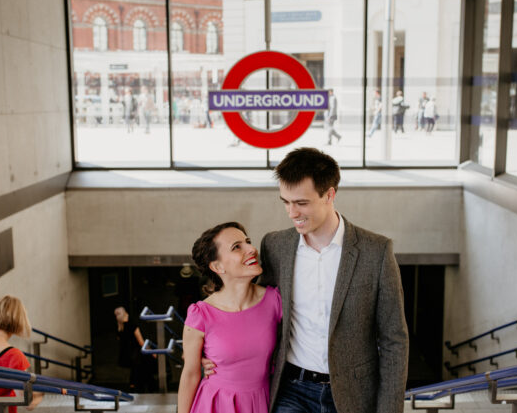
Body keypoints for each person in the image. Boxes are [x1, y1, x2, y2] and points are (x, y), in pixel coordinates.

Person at [203, 148, 409, 413]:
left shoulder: (376, 251)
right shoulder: (275, 246)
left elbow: (394, 340)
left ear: (329, 195)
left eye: (301, 203)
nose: (292, 213)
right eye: (286, 202)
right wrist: (208, 352)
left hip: (353, 395)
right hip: (292, 389)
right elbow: (252, 309)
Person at [178, 222, 282, 413]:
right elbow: (190, 374)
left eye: (248, 242)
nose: (251, 249)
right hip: (214, 404)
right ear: (217, 266)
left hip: (263, 402)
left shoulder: (275, 300)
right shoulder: (200, 314)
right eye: (237, 247)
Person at [114, 306, 157, 393]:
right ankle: (148, 387)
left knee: (135, 371)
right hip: (138, 353)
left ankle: (133, 386)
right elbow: (141, 341)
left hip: (128, 354)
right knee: (145, 371)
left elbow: (119, 339)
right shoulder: (133, 325)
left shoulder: (120, 327)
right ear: (125, 313)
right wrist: (151, 352)